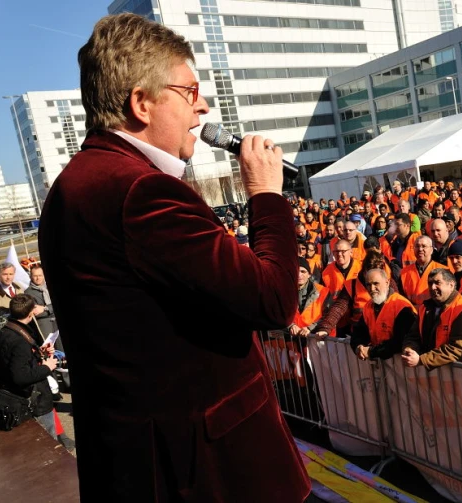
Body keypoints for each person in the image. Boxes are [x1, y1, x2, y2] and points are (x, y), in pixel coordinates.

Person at [37, 14, 308, 502]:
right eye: (190, 91)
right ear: (142, 102)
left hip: (139, 462)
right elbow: (273, 298)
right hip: (205, 472)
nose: (202, 107)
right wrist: (266, 194)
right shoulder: (140, 190)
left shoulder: (73, 185)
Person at [0, 295, 59, 437]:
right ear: (31, 313)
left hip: (17, 400)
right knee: (47, 445)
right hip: (33, 402)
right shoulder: (18, 340)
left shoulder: (4, 330)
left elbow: (12, 360)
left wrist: (38, 354)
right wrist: (47, 367)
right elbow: (20, 376)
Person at [401, 268, 462, 371]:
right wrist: (410, 349)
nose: (433, 287)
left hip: (460, 374)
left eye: (437, 283)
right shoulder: (425, 308)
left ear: (451, 285)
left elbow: (456, 350)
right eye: (430, 283)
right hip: (434, 374)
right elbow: (413, 335)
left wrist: (422, 360)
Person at [350, 268, 416, 361]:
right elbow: (359, 333)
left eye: (376, 283)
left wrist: (371, 352)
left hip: (403, 366)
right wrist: (359, 347)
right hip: (382, 366)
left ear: (387, 283)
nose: (372, 289)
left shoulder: (402, 307)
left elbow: (400, 341)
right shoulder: (368, 307)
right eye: (368, 285)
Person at [287, 259, 332, 337]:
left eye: (303, 271)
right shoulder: (284, 292)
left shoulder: (323, 291)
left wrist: (310, 328)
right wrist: (290, 325)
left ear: (309, 274)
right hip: (293, 340)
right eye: (296, 271)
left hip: (317, 339)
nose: (299, 275)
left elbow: (329, 316)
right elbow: (278, 314)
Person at [400, 235, 447, 306]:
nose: (420, 249)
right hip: (411, 313)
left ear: (431, 250)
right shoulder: (404, 272)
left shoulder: (443, 270)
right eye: (417, 246)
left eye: (424, 246)